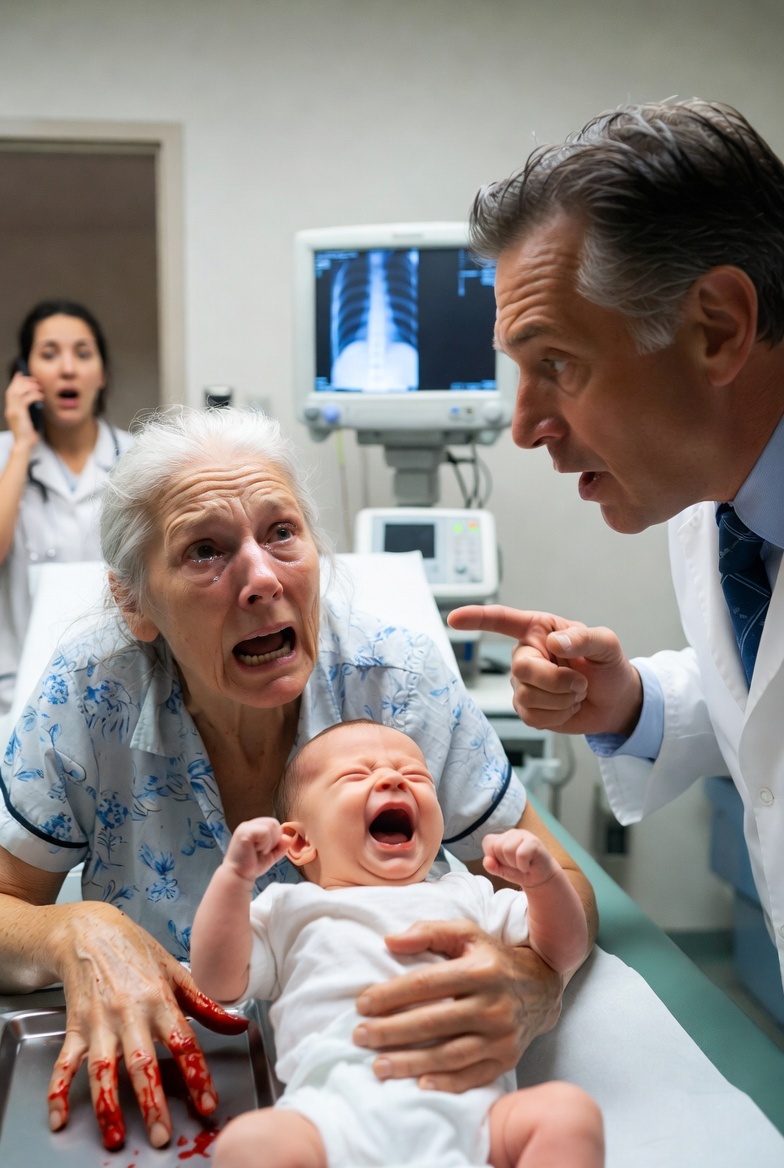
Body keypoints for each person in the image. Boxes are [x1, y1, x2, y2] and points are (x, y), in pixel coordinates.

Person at [0, 406, 597, 1152]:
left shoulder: (398, 685)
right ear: (134, 602)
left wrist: (531, 980)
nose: (260, 578)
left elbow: (560, 881)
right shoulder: (91, 696)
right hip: (184, 1097)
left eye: (281, 533)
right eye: (205, 551)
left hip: (410, 1095)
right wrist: (71, 929)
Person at [446, 99, 784, 991]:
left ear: (715, 327)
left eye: (553, 362)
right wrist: (631, 702)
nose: (522, 427)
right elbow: (765, 717)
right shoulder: (720, 502)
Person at [191, 719, 604, 1168]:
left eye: (416, 776)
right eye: (356, 775)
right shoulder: (289, 909)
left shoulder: (467, 894)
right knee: (250, 1144)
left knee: (568, 1114)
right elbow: (219, 980)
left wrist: (543, 881)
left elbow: (562, 951)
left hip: (478, 1117)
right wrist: (234, 879)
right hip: (333, 1118)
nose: (392, 779)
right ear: (300, 841)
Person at [0, 299, 133, 715]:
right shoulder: (5, 456)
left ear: (102, 373)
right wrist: (22, 446)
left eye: (82, 353)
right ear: (25, 375)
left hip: (119, 684)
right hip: (16, 689)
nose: (68, 369)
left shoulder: (138, 459)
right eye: (49, 354)